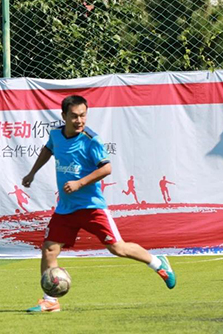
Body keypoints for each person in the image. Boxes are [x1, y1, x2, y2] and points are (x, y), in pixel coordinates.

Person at [22, 95, 176, 313]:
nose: (79, 120)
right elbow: (48, 149)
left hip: (91, 206)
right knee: (49, 249)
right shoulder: (56, 134)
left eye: (83, 115)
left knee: (117, 248)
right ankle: (50, 300)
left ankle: (158, 263)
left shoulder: (91, 140)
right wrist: (32, 173)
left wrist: (79, 183)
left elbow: (106, 168)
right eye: (74, 116)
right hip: (66, 208)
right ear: (63, 116)